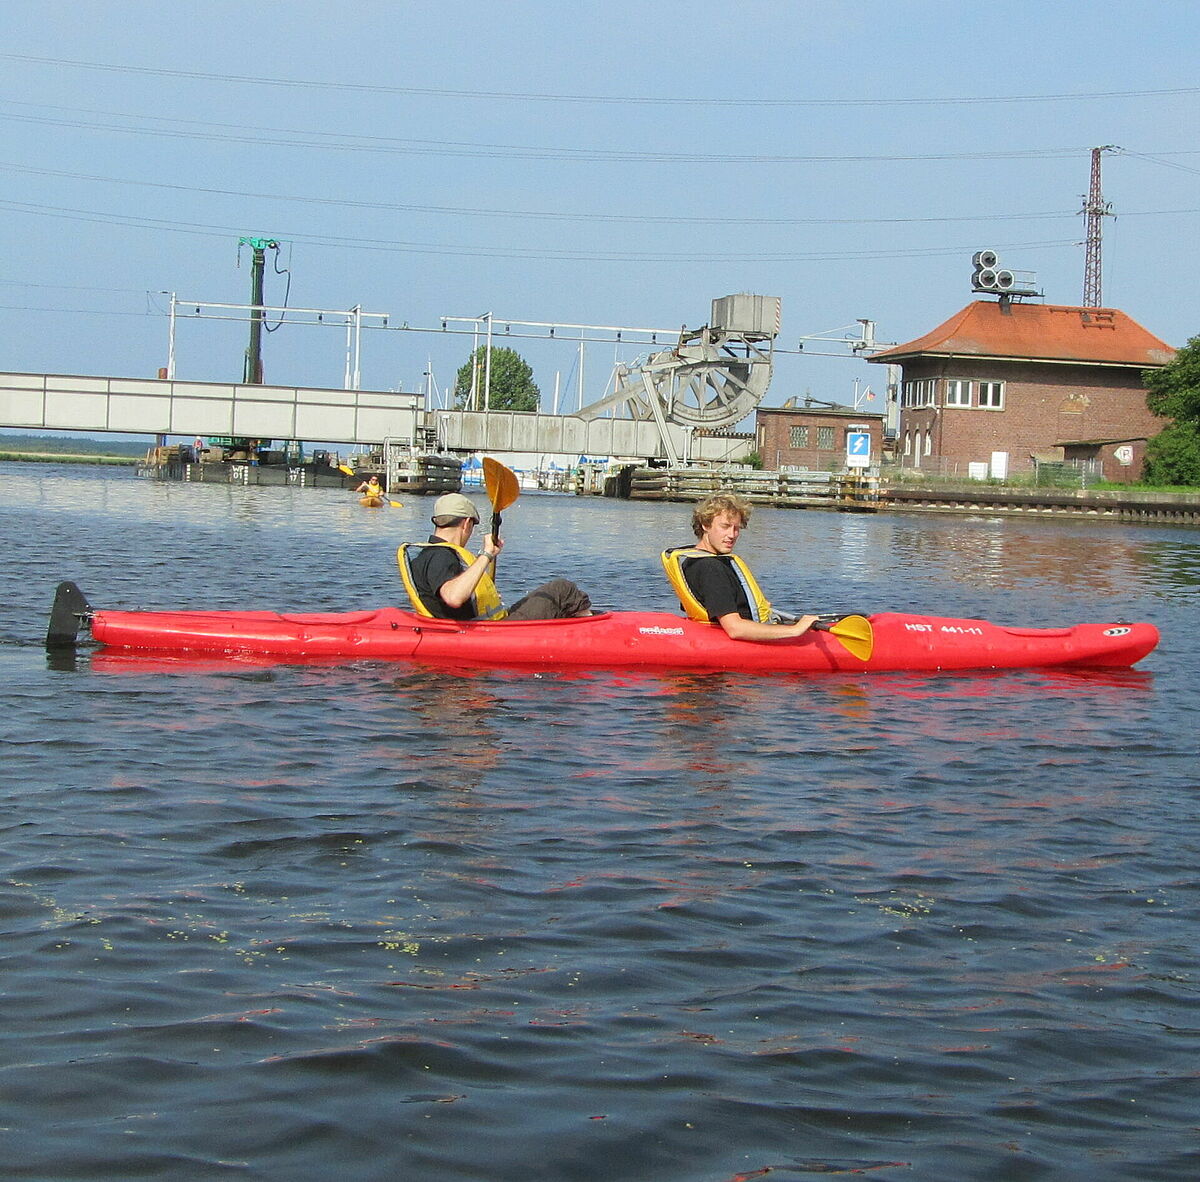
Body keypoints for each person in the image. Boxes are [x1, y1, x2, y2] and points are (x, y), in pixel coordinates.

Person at [403, 492, 591, 621]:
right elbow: (453, 597)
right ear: (467, 523)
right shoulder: (441, 556)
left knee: (557, 598)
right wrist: (486, 554)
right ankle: (592, 629)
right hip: (487, 631)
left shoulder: (426, 555)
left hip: (477, 623)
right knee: (562, 589)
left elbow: (451, 601)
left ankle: (577, 621)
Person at [662, 492, 819, 641]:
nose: (732, 535)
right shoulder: (710, 567)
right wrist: (795, 630)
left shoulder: (693, 560)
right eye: (725, 526)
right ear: (705, 525)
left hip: (726, 629)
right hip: (736, 638)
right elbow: (735, 628)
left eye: (736, 528)